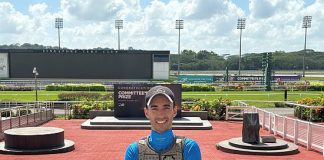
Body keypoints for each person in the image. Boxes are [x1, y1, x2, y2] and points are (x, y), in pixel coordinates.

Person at [124, 85, 201, 160]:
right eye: (154, 108)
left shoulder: (189, 148)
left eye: (166, 107)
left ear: (174, 111)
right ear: (146, 112)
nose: (160, 114)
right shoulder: (134, 151)